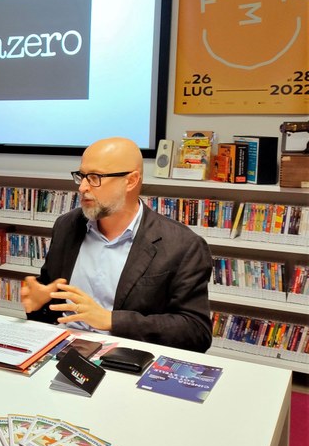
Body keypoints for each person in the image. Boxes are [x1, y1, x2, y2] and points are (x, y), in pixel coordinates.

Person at [21, 137, 212, 352]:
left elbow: (196, 331)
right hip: (62, 349)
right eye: (81, 176)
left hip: (126, 356)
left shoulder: (183, 245)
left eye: (95, 177)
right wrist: (38, 305)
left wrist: (111, 320)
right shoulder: (67, 226)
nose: (82, 187)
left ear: (131, 181)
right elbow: (51, 304)